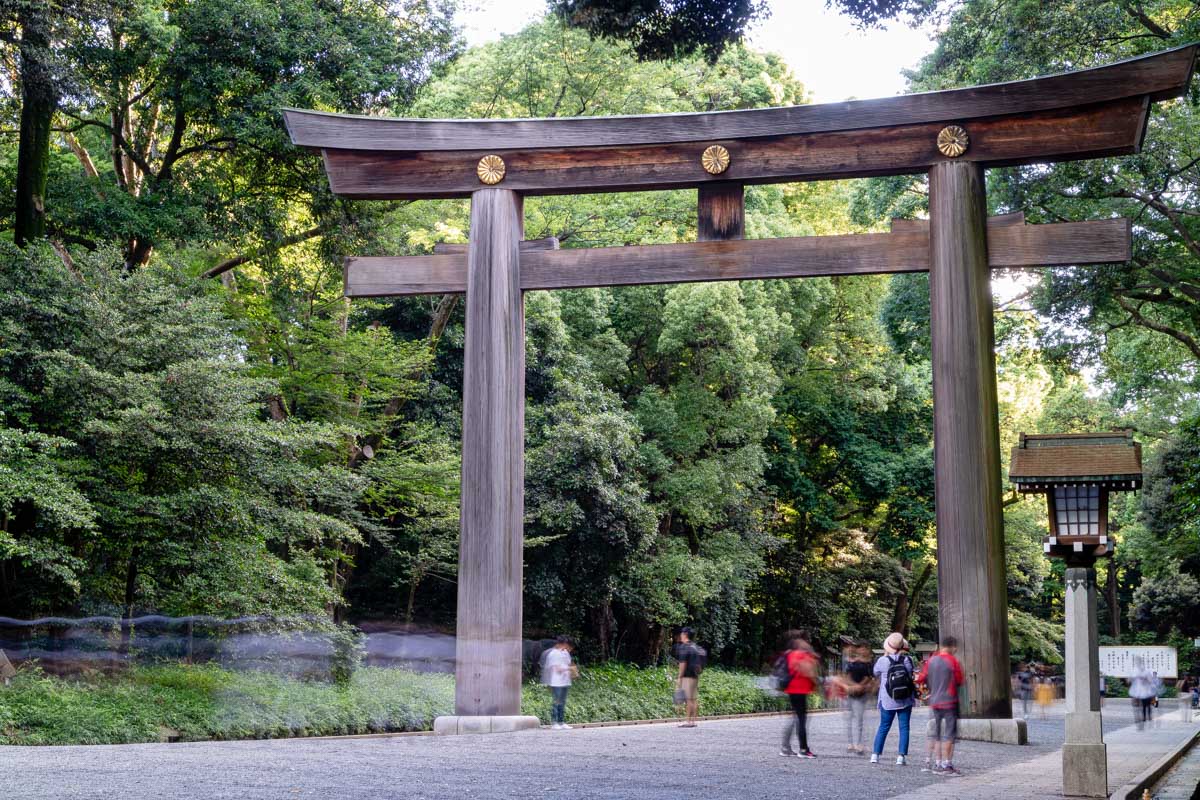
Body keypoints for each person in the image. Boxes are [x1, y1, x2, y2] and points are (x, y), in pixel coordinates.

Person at [917, 636, 965, 777]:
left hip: (934, 701)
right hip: (949, 701)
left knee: (936, 734)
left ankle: (935, 763)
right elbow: (959, 680)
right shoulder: (953, 661)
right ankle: (947, 765)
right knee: (949, 734)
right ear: (952, 646)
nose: (956, 650)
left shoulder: (931, 660)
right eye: (955, 647)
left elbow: (921, 678)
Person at [871, 632, 916, 766]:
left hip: (887, 699)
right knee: (904, 728)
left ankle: (875, 755)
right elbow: (910, 674)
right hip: (905, 699)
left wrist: (886, 655)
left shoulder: (882, 661)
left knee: (884, 726)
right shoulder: (908, 660)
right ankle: (901, 757)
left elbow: (875, 672)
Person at [779, 631, 819, 758]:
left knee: (795, 717)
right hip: (799, 690)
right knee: (801, 720)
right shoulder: (802, 655)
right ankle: (803, 749)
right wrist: (816, 683)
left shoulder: (790, 654)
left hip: (792, 689)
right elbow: (809, 671)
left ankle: (786, 748)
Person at [839, 642, 873, 755]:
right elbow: (846, 676)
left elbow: (868, 677)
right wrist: (853, 686)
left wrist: (860, 686)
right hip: (850, 693)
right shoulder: (850, 663)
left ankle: (859, 744)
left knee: (859, 720)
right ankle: (850, 743)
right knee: (849, 719)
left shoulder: (867, 664)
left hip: (861, 694)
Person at [541, 635, 578, 730]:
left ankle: (561, 722)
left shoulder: (565, 653)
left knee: (562, 702)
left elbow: (569, 663)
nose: (570, 648)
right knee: (556, 702)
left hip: (565, 681)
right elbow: (557, 669)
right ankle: (554, 722)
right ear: (564, 644)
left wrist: (572, 671)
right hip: (556, 682)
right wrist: (570, 668)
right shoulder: (553, 654)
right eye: (568, 645)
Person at [675, 627, 705, 728]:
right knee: (694, 699)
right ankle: (693, 721)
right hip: (695, 676)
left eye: (682, 633)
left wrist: (679, 677)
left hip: (687, 676)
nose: (681, 635)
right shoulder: (696, 647)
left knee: (688, 699)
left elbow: (682, 663)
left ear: (685, 634)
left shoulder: (684, 647)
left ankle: (688, 721)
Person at [1129, 659, 1156, 731]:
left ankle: (1144, 721)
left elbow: (1150, 681)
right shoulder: (1134, 671)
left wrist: (1145, 679)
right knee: (1137, 709)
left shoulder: (1146, 672)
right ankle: (1140, 723)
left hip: (1145, 693)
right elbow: (1129, 680)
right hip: (1136, 693)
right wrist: (1131, 678)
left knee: (1144, 707)